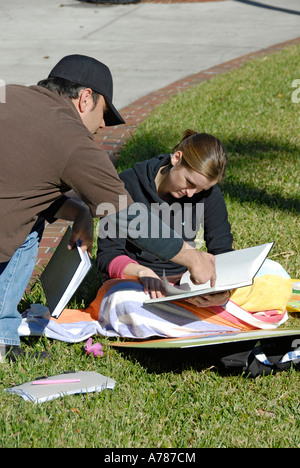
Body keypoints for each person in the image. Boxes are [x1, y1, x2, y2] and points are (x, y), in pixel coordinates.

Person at [0, 55, 216, 362]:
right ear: (85, 98)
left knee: (26, 215)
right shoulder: (72, 138)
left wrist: (79, 212)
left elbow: (19, 188)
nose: (102, 124)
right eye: (104, 112)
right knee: (28, 227)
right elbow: (128, 218)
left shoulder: (14, 95)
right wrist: (191, 256)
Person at [97, 129, 233, 307]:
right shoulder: (127, 184)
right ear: (176, 158)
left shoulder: (208, 193)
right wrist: (141, 272)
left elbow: (222, 251)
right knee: (121, 303)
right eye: (189, 182)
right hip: (137, 281)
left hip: (187, 282)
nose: (192, 194)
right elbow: (107, 256)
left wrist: (224, 292)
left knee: (272, 275)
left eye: (201, 189)